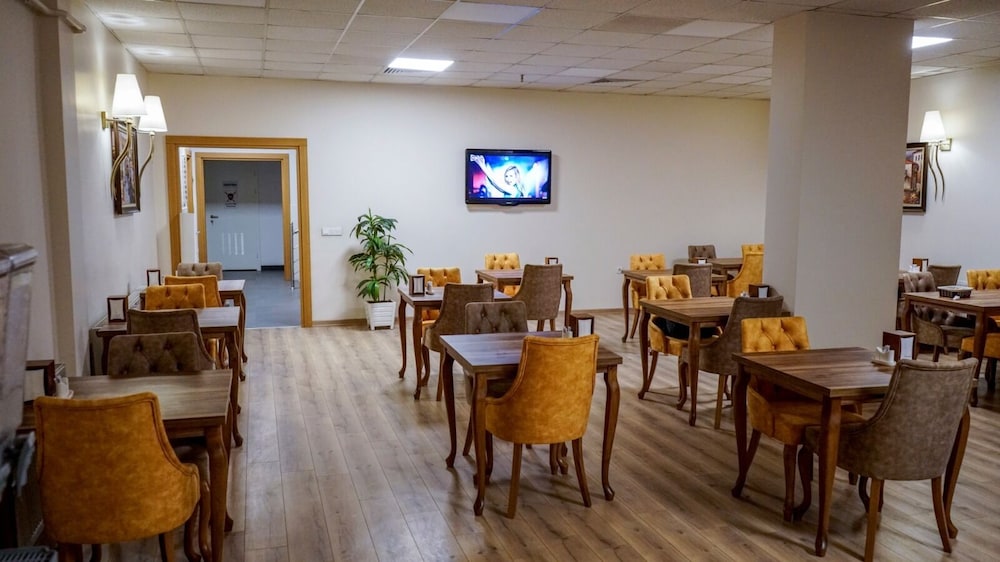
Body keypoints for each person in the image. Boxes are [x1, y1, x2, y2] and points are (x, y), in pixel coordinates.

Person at [470, 153, 546, 198]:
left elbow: (494, 182)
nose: (508, 179)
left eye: (511, 176)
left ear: (516, 178)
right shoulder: (517, 189)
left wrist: (482, 165)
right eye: (506, 176)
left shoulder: (514, 190)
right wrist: (484, 165)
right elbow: (494, 183)